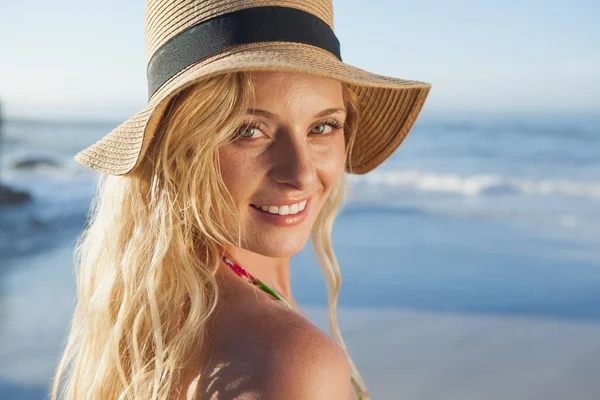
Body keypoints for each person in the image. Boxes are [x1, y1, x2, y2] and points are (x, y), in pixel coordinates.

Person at [51, 1, 431, 399]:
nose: (300, 173)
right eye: (248, 131)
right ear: (180, 149)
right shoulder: (291, 362)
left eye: (323, 126)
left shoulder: (162, 313)